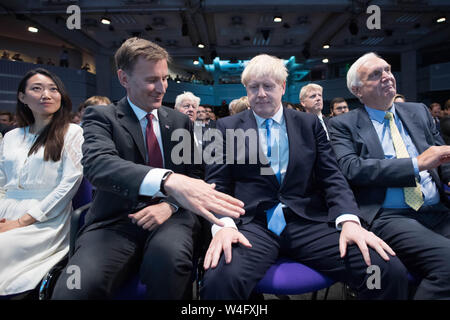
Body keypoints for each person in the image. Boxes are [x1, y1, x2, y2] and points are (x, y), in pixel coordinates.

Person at [200, 54, 407, 300]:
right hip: (253, 225)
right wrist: (224, 225)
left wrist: (350, 220)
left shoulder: (309, 124)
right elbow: (218, 184)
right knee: (219, 280)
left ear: (283, 87)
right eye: (254, 87)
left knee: (385, 269)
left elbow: (332, 177)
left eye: (268, 86)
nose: (261, 93)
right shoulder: (226, 127)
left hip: (308, 222)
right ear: (246, 90)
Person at [51, 37, 244, 300]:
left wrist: (171, 205)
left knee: (170, 264)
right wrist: (167, 180)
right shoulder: (102, 117)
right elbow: (99, 165)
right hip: (115, 222)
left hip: (172, 219)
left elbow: (195, 174)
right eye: (151, 79)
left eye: (165, 78)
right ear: (124, 78)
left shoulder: (178, 121)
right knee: (73, 290)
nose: (161, 88)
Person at [328, 52, 450, 299]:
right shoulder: (344, 125)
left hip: (438, 209)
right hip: (391, 215)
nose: (387, 77)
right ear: (357, 90)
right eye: (375, 74)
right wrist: (415, 164)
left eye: (387, 70)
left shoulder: (419, 111)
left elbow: (442, 159)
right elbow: (351, 168)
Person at [0, 68, 83, 296]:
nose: (46, 94)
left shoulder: (72, 132)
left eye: (53, 89)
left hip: (47, 217)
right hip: (6, 210)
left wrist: (22, 221)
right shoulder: (11, 136)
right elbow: (1, 182)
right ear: (22, 97)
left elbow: (69, 184)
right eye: (37, 89)